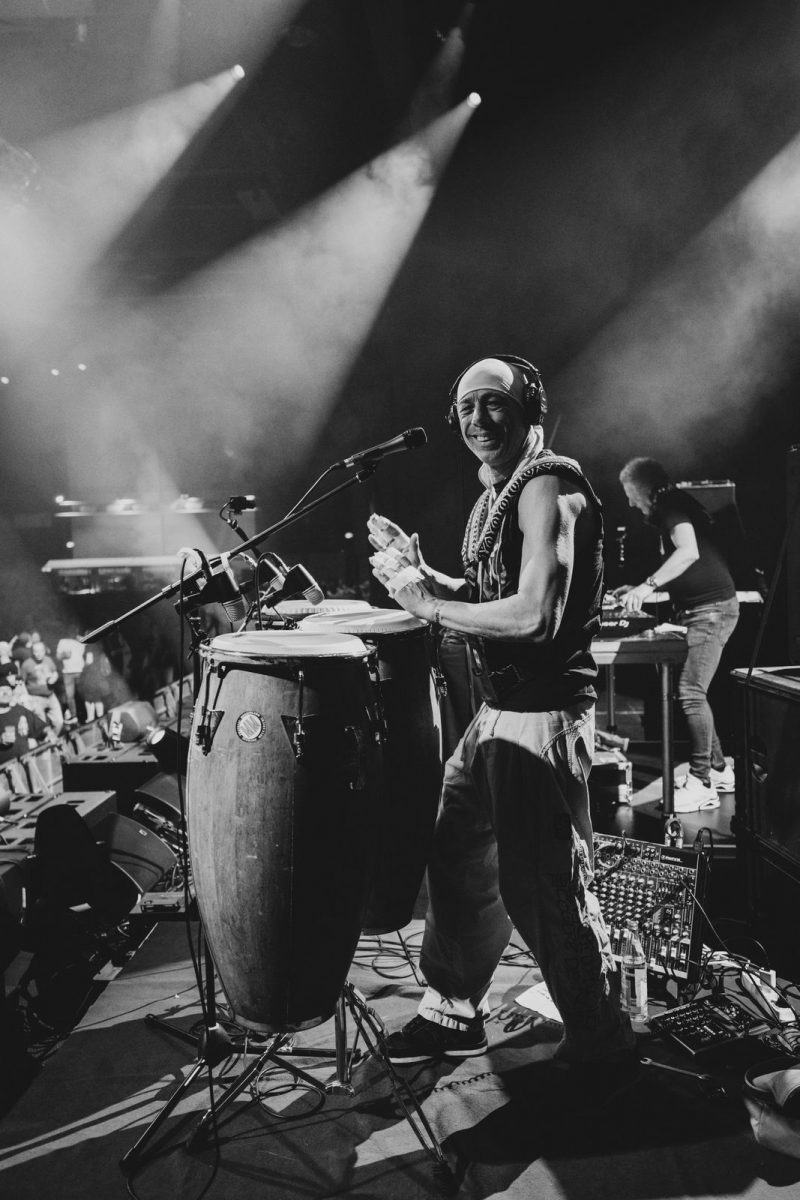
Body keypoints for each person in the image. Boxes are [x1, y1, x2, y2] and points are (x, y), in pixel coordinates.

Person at [367, 354, 636, 1087]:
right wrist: (424, 575)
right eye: (465, 408)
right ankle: (454, 1012)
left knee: (544, 888)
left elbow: (535, 615)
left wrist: (427, 606)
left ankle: (603, 1044)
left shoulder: (549, 485)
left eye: (493, 403)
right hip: (497, 713)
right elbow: (490, 592)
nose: (478, 419)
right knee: (457, 859)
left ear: (529, 408)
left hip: (542, 717)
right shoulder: (498, 492)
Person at [614, 457, 739, 813]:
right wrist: (640, 590)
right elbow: (692, 569)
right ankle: (719, 770)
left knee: (691, 693)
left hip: (711, 613)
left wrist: (648, 585)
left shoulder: (670, 506)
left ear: (642, 488)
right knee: (695, 693)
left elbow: (689, 552)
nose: (629, 502)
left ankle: (701, 783)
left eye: (629, 493)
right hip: (708, 609)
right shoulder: (675, 504)